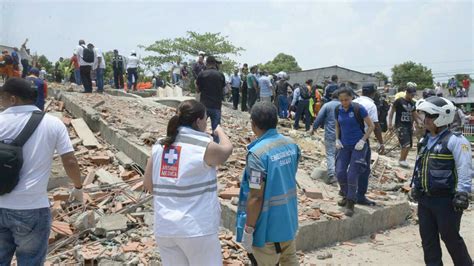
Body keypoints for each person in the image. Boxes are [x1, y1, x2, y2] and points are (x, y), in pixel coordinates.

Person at [0, 78, 83, 265]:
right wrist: (78, 187)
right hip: (32, 208)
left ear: (13, 99)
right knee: (30, 260)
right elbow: (70, 160)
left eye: (2, 98)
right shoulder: (53, 124)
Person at [143, 100, 233, 266]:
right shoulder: (203, 146)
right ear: (198, 121)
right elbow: (226, 151)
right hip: (196, 228)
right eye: (205, 119)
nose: (206, 123)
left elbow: (148, 184)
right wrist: (220, 131)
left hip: (165, 228)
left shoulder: (161, 144)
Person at [236, 102, 300, 266]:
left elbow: (256, 197)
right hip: (288, 221)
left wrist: (249, 230)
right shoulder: (291, 145)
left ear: (253, 124)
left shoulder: (257, 155)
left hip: (267, 230)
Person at [411, 96, 472, 266]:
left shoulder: (456, 140)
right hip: (425, 200)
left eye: (430, 116)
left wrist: (462, 192)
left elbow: (464, 167)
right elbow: (419, 165)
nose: (426, 119)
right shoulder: (424, 140)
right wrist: (415, 186)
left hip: (446, 200)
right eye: (425, 115)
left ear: (442, 117)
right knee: (428, 240)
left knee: (450, 238)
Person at [334, 88, 374, 216]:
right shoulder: (338, 109)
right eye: (341, 100)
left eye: (346, 99)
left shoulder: (358, 109)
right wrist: (337, 139)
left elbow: (371, 126)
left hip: (358, 145)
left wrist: (363, 140)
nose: (344, 102)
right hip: (344, 145)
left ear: (351, 98)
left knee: (352, 174)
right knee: (340, 172)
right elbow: (337, 125)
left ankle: (351, 202)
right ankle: (346, 195)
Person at [353, 84, 385, 206]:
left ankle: (346, 192)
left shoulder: (353, 101)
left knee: (350, 166)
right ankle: (359, 195)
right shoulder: (371, 105)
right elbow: (375, 126)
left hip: (348, 138)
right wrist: (381, 143)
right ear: (373, 93)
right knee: (363, 168)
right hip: (362, 138)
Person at [311, 90, 340, 184]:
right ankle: (340, 174)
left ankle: (332, 175)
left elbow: (319, 118)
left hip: (330, 133)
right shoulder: (345, 105)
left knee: (331, 154)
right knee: (340, 155)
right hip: (344, 135)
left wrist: (313, 128)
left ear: (332, 97)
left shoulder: (327, 105)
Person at [388, 86, 421, 168]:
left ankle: (404, 159)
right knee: (405, 144)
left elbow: (414, 114)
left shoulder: (412, 103)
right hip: (400, 125)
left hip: (409, 125)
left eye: (414, 95)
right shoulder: (399, 101)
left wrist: (418, 123)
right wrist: (390, 123)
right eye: (411, 94)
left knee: (409, 145)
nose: (413, 96)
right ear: (407, 93)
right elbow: (391, 112)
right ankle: (401, 160)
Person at [196, 55, 226, 131]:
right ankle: (216, 142)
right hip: (216, 106)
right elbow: (224, 90)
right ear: (215, 63)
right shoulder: (220, 75)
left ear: (206, 63)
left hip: (204, 105)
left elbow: (198, 90)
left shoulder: (202, 74)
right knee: (216, 130)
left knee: (199, 129)